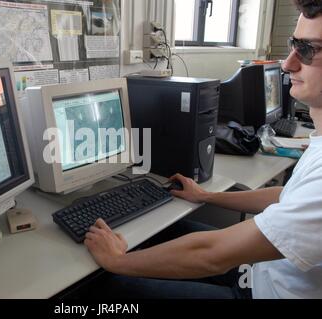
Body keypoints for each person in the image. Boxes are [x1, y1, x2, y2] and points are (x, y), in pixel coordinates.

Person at [84, 0, 322, 299]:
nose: (288, 64)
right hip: (260, 272)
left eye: (310, 50)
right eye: (294, 45)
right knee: (172, 230)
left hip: (261, 293)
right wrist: (207, 196)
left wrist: (117, 261)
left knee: (106, 286)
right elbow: (287, 197)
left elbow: (212, 255)